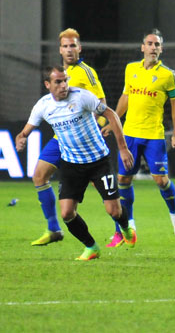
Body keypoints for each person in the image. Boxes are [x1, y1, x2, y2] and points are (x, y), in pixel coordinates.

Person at [15, 66, 136, 261]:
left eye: (65, 80)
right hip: (72, 165)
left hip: (99, 161)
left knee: (113, 210)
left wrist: (122, 147)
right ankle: (92, 247)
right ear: (48, 85)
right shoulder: (43, 106)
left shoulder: (81, 97)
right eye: (58, 82)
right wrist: (21, 138)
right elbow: (26, 130)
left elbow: (111, 114)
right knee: (67, 213)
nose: (64, 85)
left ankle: (125, 227)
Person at [104, 29, 175, 247]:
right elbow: (125, 97)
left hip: (153, 137)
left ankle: (174, 214)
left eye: (157, 44)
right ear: (142, 47)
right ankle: (129, 222)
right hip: (129, 134)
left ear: (161, 49)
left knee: (161, 180)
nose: (153, 48)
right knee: (124, 180)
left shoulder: (168, 75)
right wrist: (113, 123)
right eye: (149, 43)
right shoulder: (131, 69)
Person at [29, 28, 108, 246]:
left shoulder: (86, 72)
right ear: (60, 49)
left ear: (79, 48)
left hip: (84, 141)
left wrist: (96, 128)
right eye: (65, 46)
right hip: (60, 138)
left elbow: (102, 105)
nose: (69, 50)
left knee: (103, 190)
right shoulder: (58, 73)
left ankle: (121, 226)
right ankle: (54, 229)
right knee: (39, 176)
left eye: (73, 45)